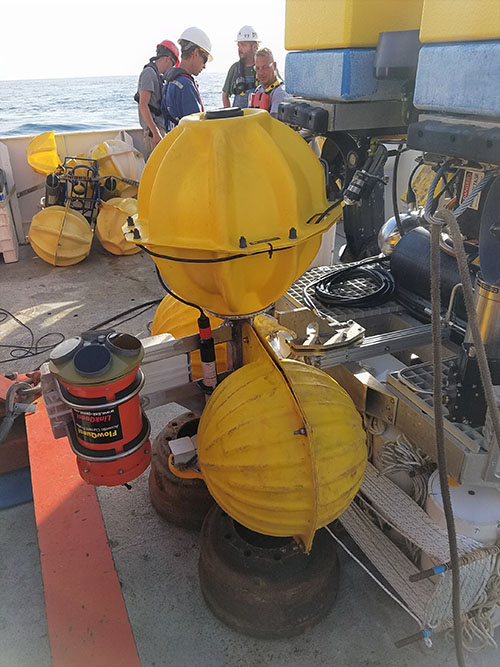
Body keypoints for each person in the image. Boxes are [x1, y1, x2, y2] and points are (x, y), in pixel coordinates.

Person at [162, 27, 212, 131]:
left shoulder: (170, 81)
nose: (204, 66)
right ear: (196, 52)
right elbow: (196, 127)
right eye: (205, 59)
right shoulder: (186, 85)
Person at [135, 40, 179, 157]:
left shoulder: (158, 76)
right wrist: (155, 132)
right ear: (167, 59)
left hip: (160, 129)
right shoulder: (148, 73)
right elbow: (143, 104)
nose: (172, 67)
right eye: (173, 64)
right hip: (153, 133)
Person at [222, 26, 259, 109]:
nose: (239, 49)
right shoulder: (234, 69)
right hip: (240, 119)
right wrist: (229, 115)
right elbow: (225, 95)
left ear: (255, 47)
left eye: (243, 45)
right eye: (238, 45)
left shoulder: (264, 67)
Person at [249, 48, 287, 119]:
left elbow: (274, 122)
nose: (260, 73)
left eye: (265, 67)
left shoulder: (280, 92)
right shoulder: (258, 90)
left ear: (274, 66)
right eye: (257, 68)